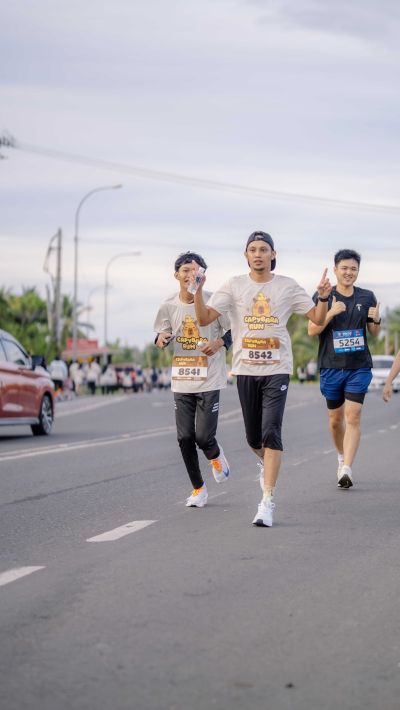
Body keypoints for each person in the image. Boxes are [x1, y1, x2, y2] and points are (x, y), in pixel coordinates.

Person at [192, 230, 331, 527]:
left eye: (263, 249)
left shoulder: (287, 286)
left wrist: (322, 297)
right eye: (253, 249)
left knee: (271, 432)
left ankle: (267, 501)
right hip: (245, 369)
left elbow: (318, 319)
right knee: (254, 438)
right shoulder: (233, 285)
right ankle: (265, 463)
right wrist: (198, 292)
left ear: (273, 254)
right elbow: (203, 319)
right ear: (246, 255)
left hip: (277, 368)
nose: (258, 254)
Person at [154, 251, 232, 508]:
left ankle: (216, 456)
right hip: (182, 378)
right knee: (185, 437)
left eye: (196, 270)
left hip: (210, 378)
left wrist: (218, 343)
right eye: (185, 270)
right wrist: (161, 339)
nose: (191, 275)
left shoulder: (214, 301)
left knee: (204, 437)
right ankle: (199, 489)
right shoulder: (168, 305)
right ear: (176, 275)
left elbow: (233, 331)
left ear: (203, 275)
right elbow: (161, 334)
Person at [308, 249, 381, 489]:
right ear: (336, 270)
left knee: (353, 416)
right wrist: (330, 312)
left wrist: (376, 319)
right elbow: (312, 330)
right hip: (331, 366)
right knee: (335, 420)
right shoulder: (324, 295)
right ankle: (341, 456)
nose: (349, 272)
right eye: (345, 268)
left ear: (358, 271)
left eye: (353, 269)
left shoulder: (367, 296)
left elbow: (374, 333)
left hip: (359, 366)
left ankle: (347, 468)